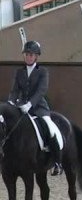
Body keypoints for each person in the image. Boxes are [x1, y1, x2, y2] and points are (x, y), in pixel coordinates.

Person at [8, 40, 63, 175]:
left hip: (38, 107)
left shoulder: (43, 71)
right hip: (21, 107)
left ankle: (57, 162)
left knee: (50, 128)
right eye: (26, 54)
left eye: (31, 55)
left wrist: (30, 103)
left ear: (36, 56)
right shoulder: (19, 72)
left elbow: (41, 90)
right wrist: (11, 102)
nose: (28, 57)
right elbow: (15, 90)